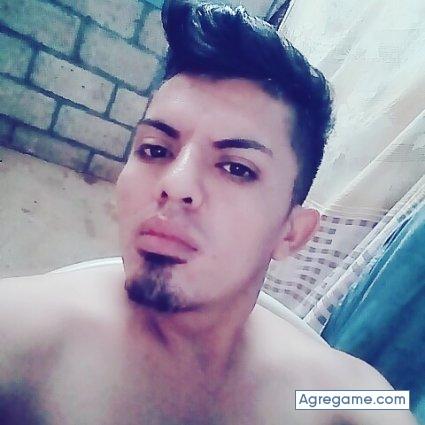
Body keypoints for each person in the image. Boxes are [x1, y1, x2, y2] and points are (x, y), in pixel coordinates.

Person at [0, 0, 416, 424]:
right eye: (155, 150)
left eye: (237, 168)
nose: (176, 184)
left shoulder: (335, 394)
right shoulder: (29, 339)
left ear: (291, 233)